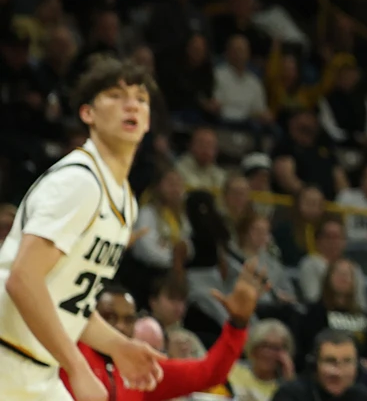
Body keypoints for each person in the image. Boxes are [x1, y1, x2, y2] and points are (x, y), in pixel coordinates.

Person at [0, 56, 168, 401]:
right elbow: (23, 279)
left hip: (35, 372)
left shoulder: (125, 200)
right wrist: (77, 366)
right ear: (87, 114)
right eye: (116, 95)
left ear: (149, 121)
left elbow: (65, 300)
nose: (131, 104)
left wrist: (118, 346)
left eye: (140, 98)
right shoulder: (79, 181)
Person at [80, 262, 262, 401]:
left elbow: (209, 372)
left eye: (128, 320)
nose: (119, 326)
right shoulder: (67, 351)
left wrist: (237, 325)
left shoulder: (143, 370)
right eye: (109, 317)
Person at [272, 328, 367, 401]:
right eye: (330, 361)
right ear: (314, 365)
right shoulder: (290, 394)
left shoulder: (361, 396)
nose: (338, 372)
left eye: (347, 362)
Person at [227, 319, 296, 401]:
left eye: (275, 348)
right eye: (264, 346)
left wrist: (289, 378)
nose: (268, 353)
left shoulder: (283, 387)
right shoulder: (232, 370)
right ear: (253, 346)